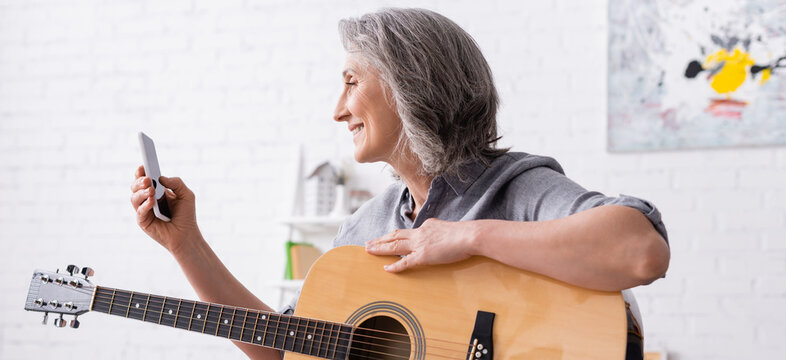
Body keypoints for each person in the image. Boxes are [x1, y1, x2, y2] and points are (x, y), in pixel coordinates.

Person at [130, 8, 669, 360]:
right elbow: (284, 348)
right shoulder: (368, 227)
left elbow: (641, 251)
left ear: (411, 86)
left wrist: (467, 237)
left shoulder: (516, 188)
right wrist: (187, 245)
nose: (338, 110)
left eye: (351, 82)